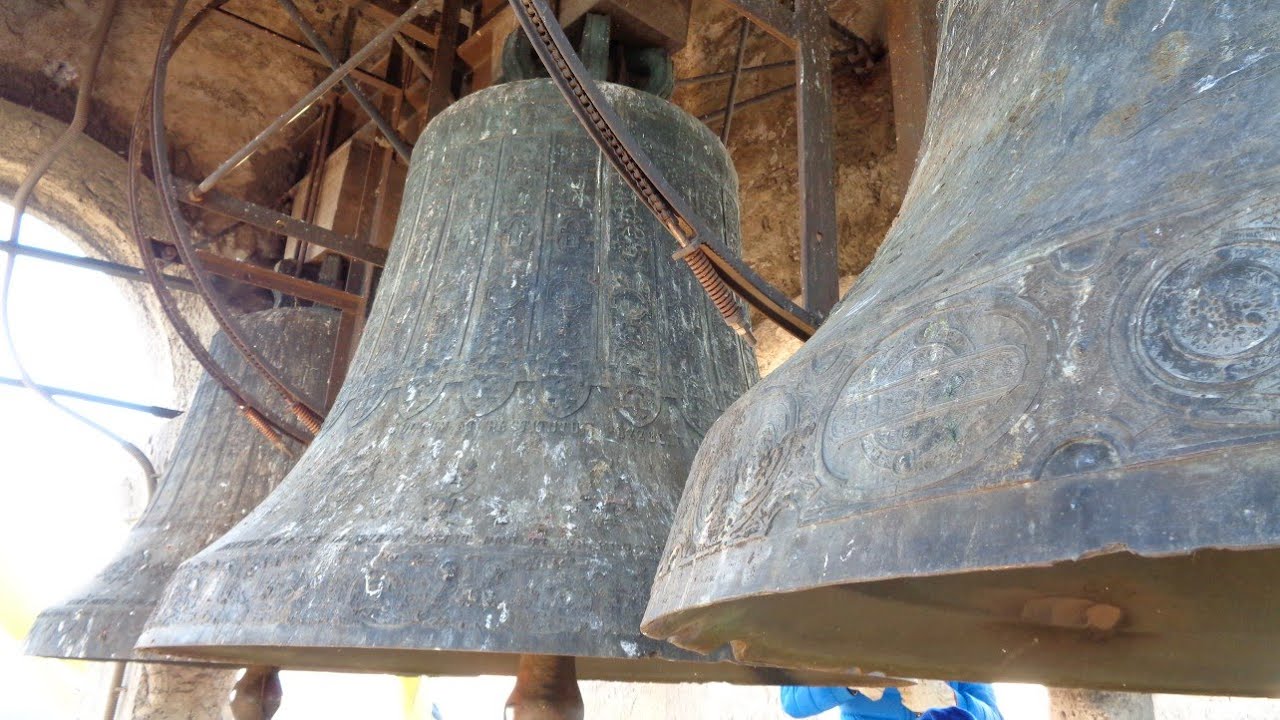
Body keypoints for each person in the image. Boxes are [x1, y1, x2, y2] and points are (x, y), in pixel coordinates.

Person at [781, 682, 1002, 720]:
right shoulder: (849, 614)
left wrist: (953, 701)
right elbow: (791, 700)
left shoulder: (956, 630)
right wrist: (846, 682)